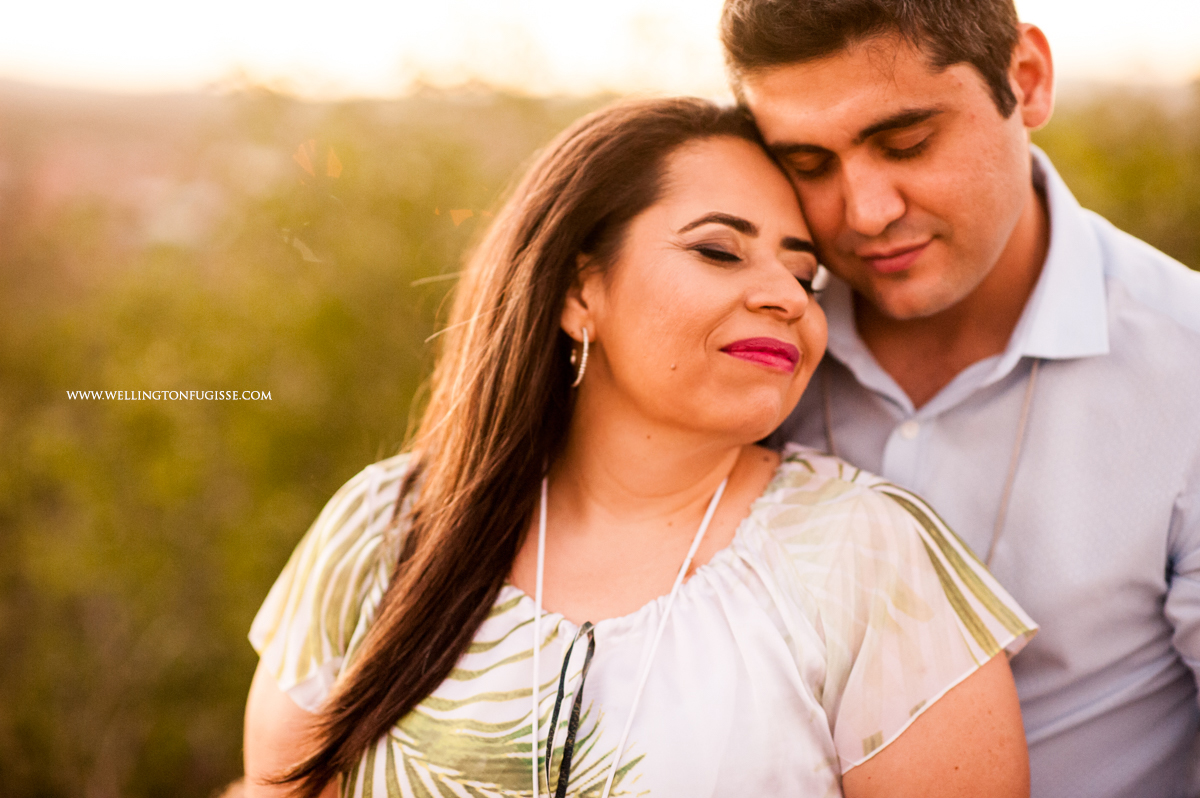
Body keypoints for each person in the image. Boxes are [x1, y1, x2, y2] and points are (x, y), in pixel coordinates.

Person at [241, 98, 1035, 797]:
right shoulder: (386, 526)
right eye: (720, 251)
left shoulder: (866, 556)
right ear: (579, 290)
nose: (786, 297)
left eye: (806, 277)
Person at [719, 1, 1200, 796]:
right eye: (808, 165)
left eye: (906, 143)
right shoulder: (738, 345)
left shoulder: (1185, 363)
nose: (866, 212)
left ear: (1029, 79)